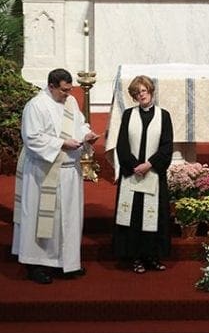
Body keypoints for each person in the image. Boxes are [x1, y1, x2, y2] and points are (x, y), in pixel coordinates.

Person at [12, 68, 100, 284]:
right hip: (44, 172)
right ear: (51, 86)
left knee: (69, 219)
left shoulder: (69, 102)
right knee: (42, 219)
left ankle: (66, 263)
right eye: (63, 90)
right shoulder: (36, 106)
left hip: (70, 172)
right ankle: (36, 264)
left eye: (69, 90)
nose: (67, 94)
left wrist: (86, 135)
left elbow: (79, 124)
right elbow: (32, 138)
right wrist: (61, 143)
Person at [113, 75, 173, 274]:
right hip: (133, 174)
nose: (141, 95)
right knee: (135, 216)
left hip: (153, 173)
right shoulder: (128, 115)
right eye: (137, 93)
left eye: (144, 91)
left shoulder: (163, 116)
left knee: (154, 217)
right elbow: (121, 145)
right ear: (133, 96)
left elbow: (166, 147)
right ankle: (136, 257)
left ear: (151, 91)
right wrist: (134, 166)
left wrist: (149, 164)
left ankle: (153, 256)